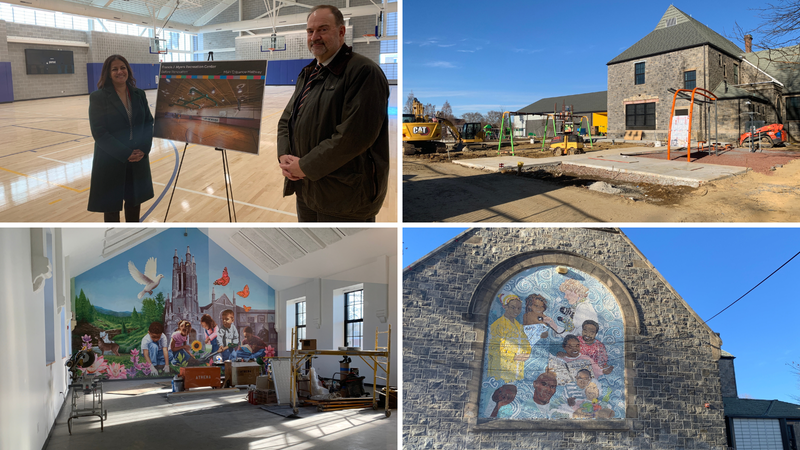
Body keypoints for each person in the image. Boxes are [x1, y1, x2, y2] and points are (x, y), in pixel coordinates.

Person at [277, 4, 390, 222]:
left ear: (341, 32)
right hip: (307, 190)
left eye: (323, 29)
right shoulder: (308, 73)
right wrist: (284, 156)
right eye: (310, 31)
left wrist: (305, 166)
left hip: (345, 198)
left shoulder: (363, 72)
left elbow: (353, 138)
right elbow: (286, 120)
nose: (315, 36)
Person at [87, 54, 154, 222]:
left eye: (122, 68)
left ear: (128, 70)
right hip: (111, 159)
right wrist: (125, 153)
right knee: (111, 208)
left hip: (137, 157)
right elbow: (99, 133)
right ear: (108, 73)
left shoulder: (139, 94)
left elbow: (148, 123)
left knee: (134, 203)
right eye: (114, 69)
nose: (119, 72)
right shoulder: (98, 98)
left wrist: (143, 150)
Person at [487, 293, 531, 384]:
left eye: (519, 308)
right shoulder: (497, 325)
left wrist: (527, 353)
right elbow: (492, 348)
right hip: (501, 368)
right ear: (505, 307)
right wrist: (513, 356)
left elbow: (526, 342)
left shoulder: (518, 326)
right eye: (513, 307)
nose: (516, 311)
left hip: (517, 367)